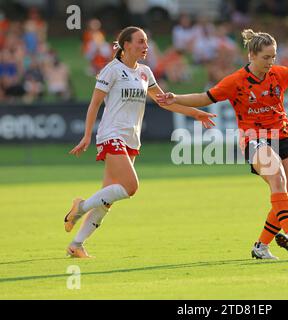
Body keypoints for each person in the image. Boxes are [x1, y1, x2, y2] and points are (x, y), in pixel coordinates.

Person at [156, 29, 288, 260]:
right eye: (266, 57)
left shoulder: (280, 73)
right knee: (276, 177)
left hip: (283, 136)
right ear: (251, 56)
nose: (271, 62)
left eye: (274, 56)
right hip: (254, 138)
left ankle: (261, 247)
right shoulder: (235, 81)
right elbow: (205, 97)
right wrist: (175, 98)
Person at [64, 26, 216, 258]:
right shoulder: (112, 70)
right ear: (126, 45)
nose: (146, 46)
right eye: (141, 42)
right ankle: (80, 207)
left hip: (131, 139)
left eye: (146, 42)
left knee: (107, 198)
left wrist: (196, 113)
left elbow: (164, 101)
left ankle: (77, 244)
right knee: (131, 187)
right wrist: (87, 135)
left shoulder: (145, 72)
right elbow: (94, 104)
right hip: (111, 134)